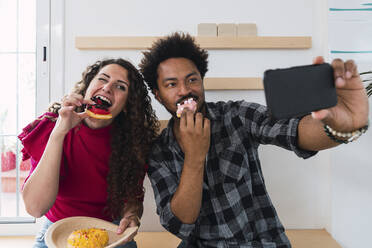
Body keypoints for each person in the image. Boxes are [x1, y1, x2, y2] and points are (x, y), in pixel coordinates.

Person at [139, 32, 369, 247]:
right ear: (158, 95)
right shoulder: (159, 152)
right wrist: (195, 156)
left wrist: (341, 126)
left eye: (192, 80)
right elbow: (179, 224)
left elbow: (295, 132)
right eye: (171, 84)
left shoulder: (237, 116)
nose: (184, 91)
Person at [18, 58, 159, 248]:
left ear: (127, 104)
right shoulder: (53, 125)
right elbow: (35, 208)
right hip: (57, 232)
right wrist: (59, 133)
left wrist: (132, 215)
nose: (107, 88)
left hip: (110, 231)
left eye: (120, 86)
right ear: (87, 87)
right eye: (102, 79)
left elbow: (132, 200)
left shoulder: (134, 141)